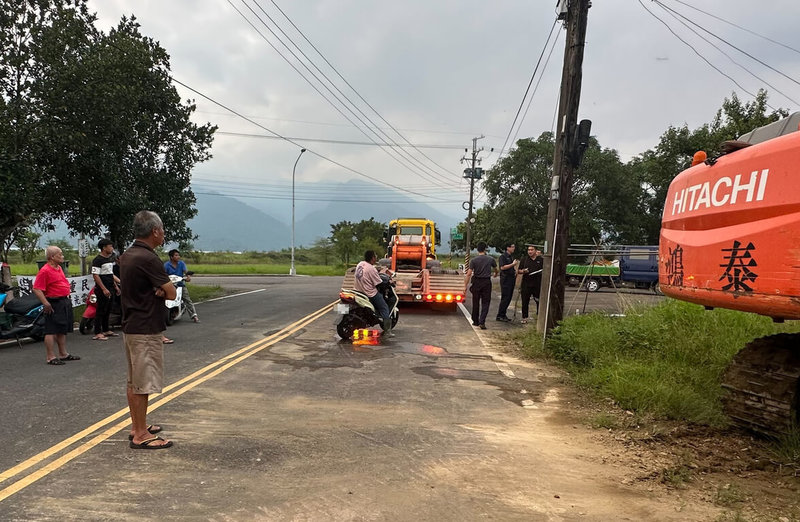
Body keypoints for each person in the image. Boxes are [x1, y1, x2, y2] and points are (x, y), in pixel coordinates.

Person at [119, 210, 177, 450]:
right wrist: (163, 290)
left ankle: (137, 425)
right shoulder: (148, 258)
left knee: (134, 381)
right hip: (145, 328)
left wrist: (159, 290)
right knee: (143, 383)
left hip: (132, 324)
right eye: (162, 230)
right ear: (155, 231)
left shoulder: (128, 254)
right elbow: (171, 292)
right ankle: (141, 434)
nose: (163, 234)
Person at [32, 246, 80, 365]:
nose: (62, 256)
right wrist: (45, 303)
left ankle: (63, 354)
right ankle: (50, 356)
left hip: (63, 301)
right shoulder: (45, 270)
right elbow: (37, 288)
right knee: (51, 330)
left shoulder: (58, 268)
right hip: (53, 302)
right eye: (60, 254)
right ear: (52, 257)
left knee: (62, 329)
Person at [353, 250, 394, 337]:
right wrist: (388, 283)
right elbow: (379, 283)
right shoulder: (371, 269)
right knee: (384, 308)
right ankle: (387, 331)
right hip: (369, 293)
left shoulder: (360, 264)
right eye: (375, 256)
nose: (376, 258)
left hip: (358, 291)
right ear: (372, 258)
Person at [91, 238, 120, 340]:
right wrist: (103, 288)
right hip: (102, 289)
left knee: (108, 309)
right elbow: (96, 275)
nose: (112, 248)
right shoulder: (97, 260)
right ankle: (98, 332)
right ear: (104, 248)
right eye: (110, 246)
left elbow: (110, 275)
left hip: (111, 287)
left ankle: (106, 329)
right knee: (101, 310)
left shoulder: (109, 260)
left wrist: (116, 286)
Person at [465, 241, 498, 329]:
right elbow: (496, 269)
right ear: (485, 249)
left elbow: (469, 274)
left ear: (477, 249)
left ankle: (475, 321)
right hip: (486, 282)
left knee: (475, 302)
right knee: (485, 303)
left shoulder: (473, 260)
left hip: (476, 282)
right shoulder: (490, 259)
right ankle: (482, 321)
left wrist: (465, 285)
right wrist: (495, 274)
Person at [164, 249, 199, 323]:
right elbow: (163, 274)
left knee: (187, 298)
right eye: (176, 255)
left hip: (180, 284)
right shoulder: (166, 265)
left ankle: (194, 316)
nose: (178, 257)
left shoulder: (181, 264)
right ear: (171, 257)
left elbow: (186, 272)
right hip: (169, 285)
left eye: (178, 255)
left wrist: (188, 277)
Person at [518, 245, 544, 324]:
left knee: (539, 301)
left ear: (536, 251)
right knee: (525, 301)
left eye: (532, 250)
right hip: (526, 283)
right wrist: (523, 271)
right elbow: (519, 271)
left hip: (537, 284)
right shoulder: (524, 260)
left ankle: (539, 316)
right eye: (529, 250)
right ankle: (524, 317)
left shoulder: (541, 260)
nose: (530, 251)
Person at [496, 242, 518, 322]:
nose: (513, 248)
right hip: (506, 280)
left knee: (509, 298)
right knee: (505, 297)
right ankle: (500, 315)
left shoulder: (510, 257)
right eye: (512, 247)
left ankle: (503, 314)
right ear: (508, 248)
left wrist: (514, 271)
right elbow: (502, 267)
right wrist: (512, 264)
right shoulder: (503, 257)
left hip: (511, 279)